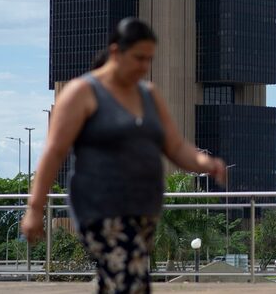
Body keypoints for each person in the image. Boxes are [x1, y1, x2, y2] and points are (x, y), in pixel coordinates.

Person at [21, 18, 227, 293]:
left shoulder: (149, 94)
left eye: (149, 59)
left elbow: (175, 146)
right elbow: (54, 151)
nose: (144, 66)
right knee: (126, 281)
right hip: (101, 209)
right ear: (116, 52)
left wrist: (205, 163)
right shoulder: (82, 92)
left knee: (125, 283)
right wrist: (35, 208)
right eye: (138, 58)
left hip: (143, 211)